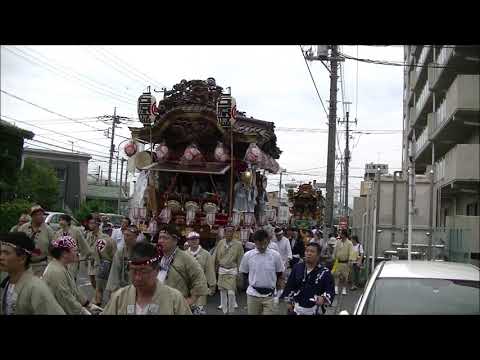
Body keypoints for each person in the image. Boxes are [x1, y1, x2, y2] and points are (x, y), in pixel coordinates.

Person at [102, 242, 192, 315]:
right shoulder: (120, 297)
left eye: (143, 271)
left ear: (157, 270)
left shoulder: (175, 299)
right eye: (133, 270)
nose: (137, 277)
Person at [0, 232, 65, 315]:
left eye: (6, 253)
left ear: (22, 258)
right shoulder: (7, 282)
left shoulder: (36, 287)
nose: (1, 257)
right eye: (0, 253)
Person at [42, 234, 102, 315]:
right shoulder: (56, 272)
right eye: (75, 251)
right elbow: (66, 299)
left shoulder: (62, 266)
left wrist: (88, 304)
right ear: (64, 253)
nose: (77, 254)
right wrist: (83, 311)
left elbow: (74, 290)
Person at [156, 226, 209, 311]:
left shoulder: (186, 258)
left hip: (177, 306)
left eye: (165, 238)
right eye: (160, 238)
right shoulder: (157, 257)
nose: (161, 241)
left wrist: (191, 300)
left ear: (175, 241)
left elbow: (200, 279)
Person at [281, 242, 335, 315]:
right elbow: (290, 286)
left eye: (312, 251)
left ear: (318, 255)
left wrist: (323, 298)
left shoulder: (325, 272)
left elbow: (330, 290)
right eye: (307, 251)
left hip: (313, 310)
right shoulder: (297, 267)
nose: (309, 253)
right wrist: (289, 302)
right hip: (296, 309)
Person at [239, 229, 284, 315]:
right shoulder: (248, 255)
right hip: (253, 295)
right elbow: (244, 273)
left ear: (268, 241)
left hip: (270, 295)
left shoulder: (275, 255)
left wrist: (279, 293)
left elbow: (280, 274)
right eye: (259, 244)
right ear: (255, 242)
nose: (262, 246)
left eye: (265, 243)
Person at [212, 225, 244, 314]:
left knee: (231, 292)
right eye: (227, 231)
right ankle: (225, 311)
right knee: (222, 291)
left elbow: (240, 259)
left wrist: (240, 272)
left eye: (231, 231)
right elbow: (215, 255)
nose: (229, 233)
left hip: (232, 270)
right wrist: (213, 267)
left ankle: (231, 311)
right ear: (224, 233)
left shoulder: (238, 244)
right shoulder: (221, 243)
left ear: (233, 233)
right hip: (222, 269)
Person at [17, 205, 55, 277]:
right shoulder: (23, 228)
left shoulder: (48, 230)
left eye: (42, 214)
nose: (41, 216)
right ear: (32, 216)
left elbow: (53, 248)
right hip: (24, 265)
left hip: (41, 266)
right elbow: (16, 245)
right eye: (37, 214)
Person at [87, 216, 117, 305]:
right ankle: (98, 297)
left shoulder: (104, 237)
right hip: (91, 262)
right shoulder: (89, 235)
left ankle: (99, 300)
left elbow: (112, 252)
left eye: (92, 223)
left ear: (97, 224)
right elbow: (86, 247)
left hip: (101, 263)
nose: (90, 225)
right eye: (89, 223)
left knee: (100, 284)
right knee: (93, 282)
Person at [186, 231, 216, 315]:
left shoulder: (206, 254)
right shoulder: (184, 254)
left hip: (201, 286)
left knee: (199, 310)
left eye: (196, 239)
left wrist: (212, 285)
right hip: (187, 287)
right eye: (191, 239)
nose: (194, 241)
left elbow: (210, 270)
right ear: (188, 241)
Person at [55, 214, 92, 281]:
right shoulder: (58, 233)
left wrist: (86, 255)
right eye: (59, 220)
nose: (60, 222)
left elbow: (83, 243)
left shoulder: (76, 231)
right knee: (62, 278)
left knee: (71, 278)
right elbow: (55, 246)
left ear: (68, 222)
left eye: (62, 220)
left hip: (73, 259)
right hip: (61, 259)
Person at [106, 225, 140, 296]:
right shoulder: (120, 252)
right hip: (123, 286)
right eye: (125, 235)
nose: (125, 238)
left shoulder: (141, 252)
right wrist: (113, 290)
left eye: (128, 235)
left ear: (135, 237)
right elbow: (115, 271)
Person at [332, 229, 353, 295]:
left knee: (345, 276)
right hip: (338, 261)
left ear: (344, 235)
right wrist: (333, 257)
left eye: (341, 234)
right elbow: (335, 250)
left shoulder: (349, 243)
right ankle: (336, 288)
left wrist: (350, 260)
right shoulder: (338, 242)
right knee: (336, 275)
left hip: (345, 262)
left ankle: (344, 289)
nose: (340, 235)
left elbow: (351, 252)